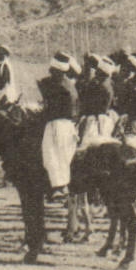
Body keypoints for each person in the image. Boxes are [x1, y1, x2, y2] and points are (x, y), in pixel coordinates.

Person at [38, 54, 81, 198]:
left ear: (58, 71)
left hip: (57, 124)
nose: (50, 73)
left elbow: (49, 108)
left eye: (53, 71)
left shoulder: (57, 86)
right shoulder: (69, 85)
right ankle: (62, 185)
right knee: (64, 155)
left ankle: (59, 187)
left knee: (51, 154)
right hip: (69, 125)